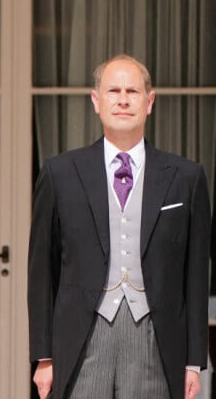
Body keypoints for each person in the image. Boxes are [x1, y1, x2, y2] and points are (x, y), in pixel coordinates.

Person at [28, 54, 211, 399]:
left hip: (155, 340)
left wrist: (193, 362)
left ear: (149, 101)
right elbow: (41, 273)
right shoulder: (60, 174)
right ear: (97, 101)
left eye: (133, 91)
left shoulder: (187, 178)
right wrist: (43, 356)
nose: (123, 99)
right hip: (82, 338)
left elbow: (196, 275)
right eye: (113, 91)